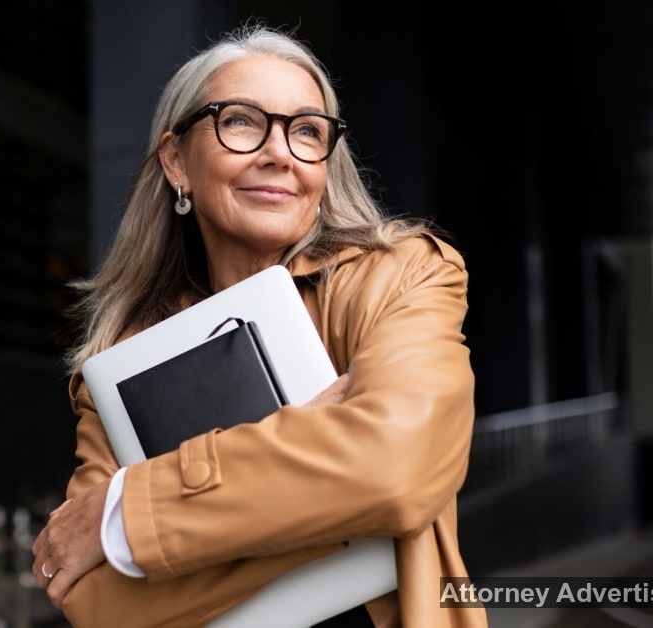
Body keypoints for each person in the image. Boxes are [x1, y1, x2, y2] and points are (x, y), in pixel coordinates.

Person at [32, 22, 487, 627]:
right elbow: (98, 606)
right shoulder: (121, 364)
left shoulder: (402, 276)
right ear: (176, 161)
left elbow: (395, 472)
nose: (279, 152)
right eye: (241, 120)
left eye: (306, 131)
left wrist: (126, 516)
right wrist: (331, 485)